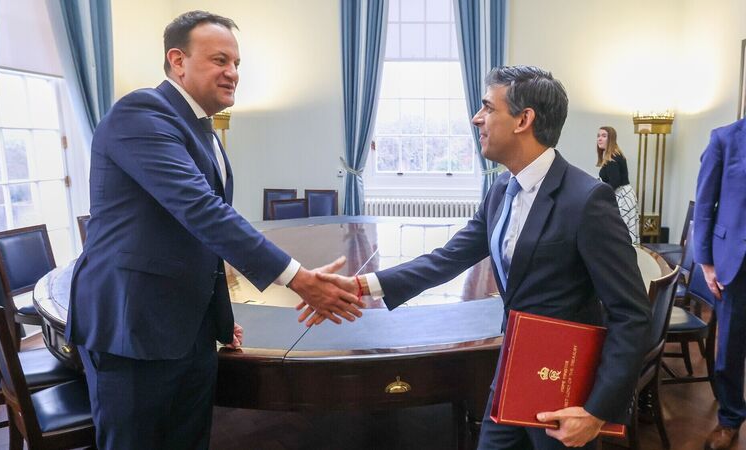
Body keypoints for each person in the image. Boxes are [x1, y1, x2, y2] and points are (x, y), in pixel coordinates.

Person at [306, 66, 651, 449]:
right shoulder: (501, 188)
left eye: (488, 107)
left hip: (563, 388)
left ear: (523, 120)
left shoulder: (587, 200)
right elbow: (448, 258)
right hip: (510, 374)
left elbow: (631, 313)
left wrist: (597, 411)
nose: (476, 118)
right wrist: (361, 286)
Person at [67, 11, 363, 450]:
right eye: (220, 60)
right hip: (133, 329)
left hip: (190, 330)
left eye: (236, 63)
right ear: (178, 61)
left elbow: (199, 241)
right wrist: (298, 279)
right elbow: (201, 211)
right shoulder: (141, 113)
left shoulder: (201, 129)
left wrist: (218, 319)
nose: (233, 73)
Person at [694, 118, 746, 450]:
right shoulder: (725, 139)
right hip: (735, 261)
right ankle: (730, 418)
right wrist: (706, 263)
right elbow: (703, 205)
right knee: (730, 347)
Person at [596, 126, 640, 244]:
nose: (599, 139)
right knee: (624, 233)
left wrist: (599, 191)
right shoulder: (613, 155)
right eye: (598, 136)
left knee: (621, 234)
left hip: (622, 197)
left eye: (604, 136)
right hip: (624, 195)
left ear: (611, 139)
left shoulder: (612, 157)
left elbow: (614, 183)